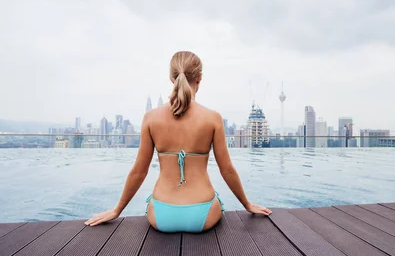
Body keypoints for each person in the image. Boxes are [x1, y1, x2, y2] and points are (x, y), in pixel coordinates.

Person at [85, 51, 271, 232]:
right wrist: (247, 204)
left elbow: (139, 171)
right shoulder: (213, 118)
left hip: (161, 214)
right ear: (199, 78)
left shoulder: (151, 118)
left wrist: (117, 209)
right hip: (203, 212)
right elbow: (227, 170)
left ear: (171, 78)